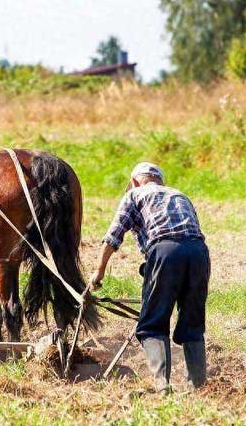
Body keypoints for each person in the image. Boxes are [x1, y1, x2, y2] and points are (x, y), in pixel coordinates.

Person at [90, 162, 210, 393]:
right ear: (160, 181)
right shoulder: (179, 194)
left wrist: (99, 271)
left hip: (166, 252)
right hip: (199, 253)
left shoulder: (134, 194)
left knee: (153, 324)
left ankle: (162, 386)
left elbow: (113, 236)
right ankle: (199, 386)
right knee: (192, 322)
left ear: (135, 181)